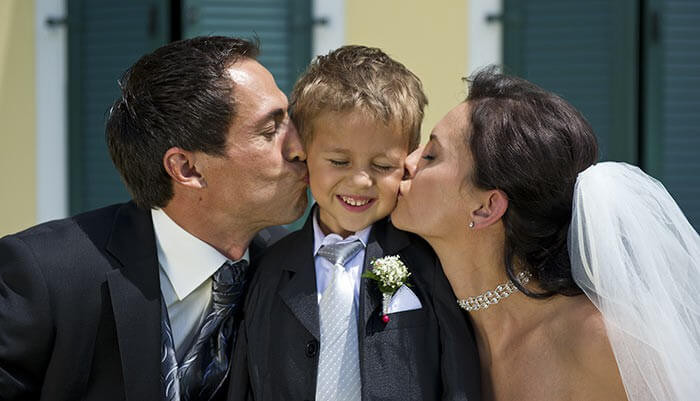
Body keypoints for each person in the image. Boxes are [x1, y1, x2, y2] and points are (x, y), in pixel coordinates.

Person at [0, 36, 308, 401]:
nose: (300, 147)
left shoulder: (294, 266)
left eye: (291, 120)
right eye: (270, 130)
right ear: (187, 168)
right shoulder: (42, 277)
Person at [391, 68, 700, 400]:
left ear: (486, 207)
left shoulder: (599, 343)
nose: (406, 161)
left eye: (431, 155)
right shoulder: (434, 327)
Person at [230, 45, 481, 401]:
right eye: (338, 161)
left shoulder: (430, 261)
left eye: (382, 166)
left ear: (407, 162)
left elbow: (460, 380)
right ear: (305, 155)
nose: (361, 182)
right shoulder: (268, 268)